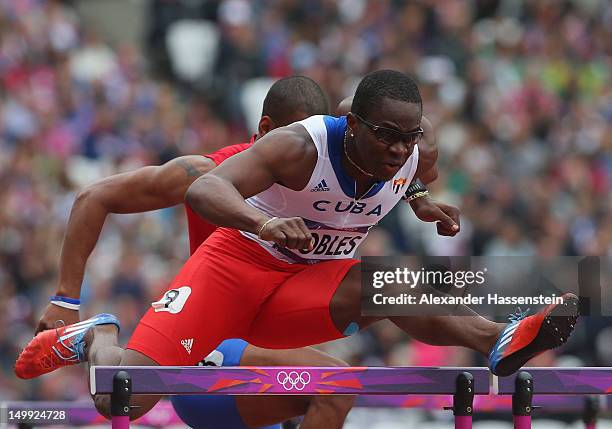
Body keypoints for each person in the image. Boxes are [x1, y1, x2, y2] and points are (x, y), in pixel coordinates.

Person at [17, 70, 578, 426]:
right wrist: (261, 226)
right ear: (350, 124)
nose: (398, 148)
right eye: (385, 134)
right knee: (121, 400)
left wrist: (421, 200)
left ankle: (498, 338)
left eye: (407, 137)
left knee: (385, 283)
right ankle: (98, 334)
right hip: (235, 271)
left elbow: (410, 170)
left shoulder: (413, 154)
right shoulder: (294, 148)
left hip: (303, 286)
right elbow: (202, 188)